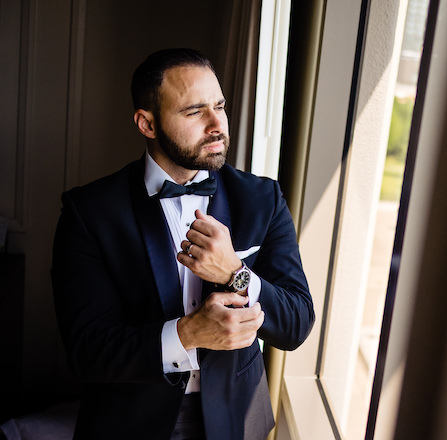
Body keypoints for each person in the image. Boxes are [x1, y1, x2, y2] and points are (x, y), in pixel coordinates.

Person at [51, 48, 315, 440]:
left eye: (220, 106)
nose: (217, 125)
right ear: (147, 124)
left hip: (236, 418)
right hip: (130, 423)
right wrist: (188, 334)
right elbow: (87, 351)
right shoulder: (89, 212)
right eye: (194, 112)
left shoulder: (262, 200)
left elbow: (295, 324)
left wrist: (235, 273)